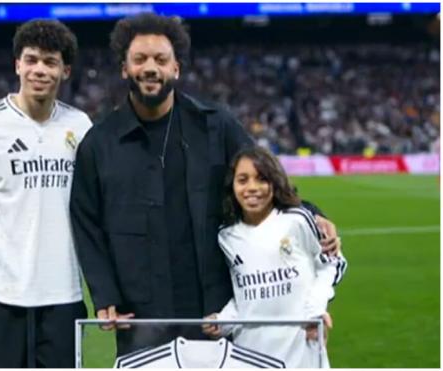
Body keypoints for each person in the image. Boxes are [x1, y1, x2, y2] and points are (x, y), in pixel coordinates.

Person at [69, 12, 342, 357]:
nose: (150, 67)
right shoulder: (98, 144)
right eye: (139, 59)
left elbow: (265, 180)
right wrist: (104, 294)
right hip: (139, 314)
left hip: (215, 309)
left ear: (176, 68)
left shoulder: (217, 126)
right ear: (125, 68)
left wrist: (313, 216)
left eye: (161, 59)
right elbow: (85, 223)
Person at [0, 19, 92, 368]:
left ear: (65, 71)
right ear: (17, 65)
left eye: (50, 62)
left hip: (62, 300)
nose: (40, 69)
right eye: (32, 59)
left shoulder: (80, 127)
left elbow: (95, 214)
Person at [202, 146, 348, 368]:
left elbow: (333, 264)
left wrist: (316, 310)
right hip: (250, 354)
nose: (252, 188)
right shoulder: (227, 236)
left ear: (275, 182)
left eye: (261, 179)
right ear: (232, 186)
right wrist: (223, 322)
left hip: (300, 352)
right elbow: (246, 297)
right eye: (243, 180)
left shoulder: (297, 220)